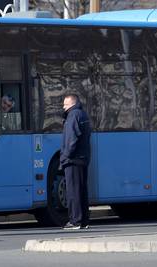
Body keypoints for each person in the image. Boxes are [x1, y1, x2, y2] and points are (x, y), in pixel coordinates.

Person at [60, 94, 91, 230]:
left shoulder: (72, 116)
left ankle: (75, 221)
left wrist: (66, 156)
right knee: (82, 190)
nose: (63, 107)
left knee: (73, 191)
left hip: (73, 159)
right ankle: (83, 220)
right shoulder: (82, 114)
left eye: (65, 104)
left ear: (72, 104)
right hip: (83, 158)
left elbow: (71, 139)